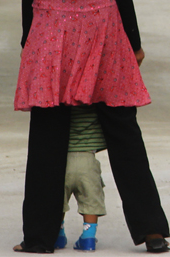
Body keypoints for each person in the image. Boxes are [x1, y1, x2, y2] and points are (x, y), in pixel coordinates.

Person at [14, 0, 170, 254]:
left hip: (52, 30)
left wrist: (29, 37)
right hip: (101, 27)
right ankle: (152, 230)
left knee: (47, 134)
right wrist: (133, 41)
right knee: (123, 128)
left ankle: (38, 237)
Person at [54, 106, 108, 252]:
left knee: (59, 199)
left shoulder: (61, 108)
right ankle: (88, 238)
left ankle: (57, 235)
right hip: (88, 159)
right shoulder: (93, 107)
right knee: (90, 199)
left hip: (63, 159)